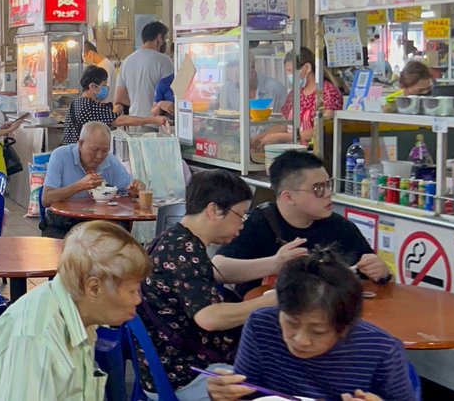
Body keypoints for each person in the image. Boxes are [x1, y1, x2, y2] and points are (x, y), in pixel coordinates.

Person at [206, 251, 418, 401]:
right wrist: (223, 396)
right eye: (290, 323)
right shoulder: (261, 325)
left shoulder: (380, 349)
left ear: (345, 327)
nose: (300, 340)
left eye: (318, 331)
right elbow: (246, 392)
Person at [139, 169, 276, 399]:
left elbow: (215, 272)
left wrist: (275, 263)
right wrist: (266, 302)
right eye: (240, 215)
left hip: (165, 364)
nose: (242, 224)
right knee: (274, 382)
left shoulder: (174, 239)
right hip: (184, 374)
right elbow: (210, 318)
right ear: (213, 210)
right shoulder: (184, 250)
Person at [0, 221, 150, 400]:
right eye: (132, 291)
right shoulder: (37, 339)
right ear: (94, 288)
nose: (138, 299)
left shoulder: (79, 311)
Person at [213, 150, 388, 295]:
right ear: (288, 197)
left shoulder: (339, 226)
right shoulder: (258, 223)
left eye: (328, 185)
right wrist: (275, 263)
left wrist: (381, 271)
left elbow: (372, 274)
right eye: (318, 188)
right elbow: (217, 268)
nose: (328, 193)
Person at [41, 122, 144, 238]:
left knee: (119, 237)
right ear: (80, 144)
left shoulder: (110, 160)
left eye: (105, 151)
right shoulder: (61, 156)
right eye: (94, 150)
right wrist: (79, 186)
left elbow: (127, 188)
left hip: (98, 222)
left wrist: (135, 191)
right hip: (63, 223)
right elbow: (46, 199)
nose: (100, 156)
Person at [253, 47, 344, 149]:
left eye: (291, 71)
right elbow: (284, 125)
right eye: (287, 72)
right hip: (295, 151)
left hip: (318, 153)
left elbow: (322, 130)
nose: (289, 75)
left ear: (307, 68)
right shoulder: (295, 93)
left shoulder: (327, 92)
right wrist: (259, 138)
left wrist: (283, 137)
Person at [62, 66, 167, 145]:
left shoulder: (76, 103)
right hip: (82, 155)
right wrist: (153, 120)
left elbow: (109, 115)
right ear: (93, 86)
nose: (106, 89)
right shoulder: (89, 107)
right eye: (104, 85)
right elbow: (121, 120)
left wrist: (119, 105)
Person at [113, 21, 173, 118]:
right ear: (159, 38)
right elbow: (171, 94)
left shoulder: (127, 61)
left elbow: (120, 97)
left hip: (133, 120)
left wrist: (138, 104)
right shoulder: (164, 60)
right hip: (155, 122)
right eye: (165, 39)